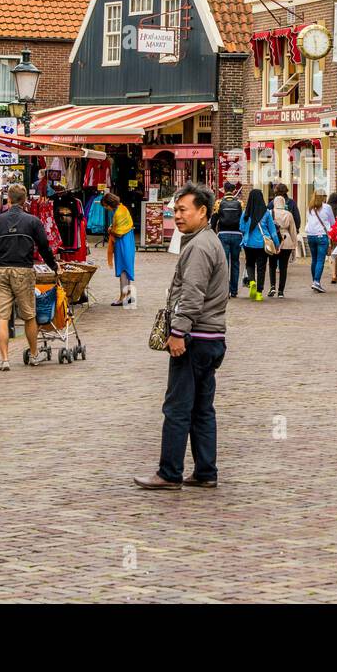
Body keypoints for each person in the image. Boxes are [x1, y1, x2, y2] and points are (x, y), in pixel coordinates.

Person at [134, 183, 229, 491]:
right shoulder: (207, 242)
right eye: (175, 210)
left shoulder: (200, 247)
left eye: (183, 209)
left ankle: (169, 472)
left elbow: (192, 294)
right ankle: (205, 470)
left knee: (177, 407)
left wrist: (178, 332)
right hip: (211, 337)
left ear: (203, 212)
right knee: (202, 408)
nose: (177, 215)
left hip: (195, 338)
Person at [0, 183, 59, 368]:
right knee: (29, 315)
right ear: (25, 200)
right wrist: (53, 266)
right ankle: (34, 354)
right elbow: (44, 247)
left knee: (2, 316)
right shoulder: (33, 221)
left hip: (1, 269)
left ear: (8, 199)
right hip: (23, 269)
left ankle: (4, 359)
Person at [239, 188, 278, 302]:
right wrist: (277, 244)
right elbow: (273, 230)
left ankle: (251, 282)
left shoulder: (245, 213)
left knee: (250, 264)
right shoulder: (266, 213)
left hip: (249, 243)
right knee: (261, 268)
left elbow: (241, 228)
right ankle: (259, 293)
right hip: (263, 244)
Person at [102, 191, 137, 306]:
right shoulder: (122, 208)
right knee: (126, 267)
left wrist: (110, 230)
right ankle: (128, 295)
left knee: (123, 268)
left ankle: (123, 297)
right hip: (128, 240)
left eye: (106, 206)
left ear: (109, 204)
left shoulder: (118, 213)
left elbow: (119, 232)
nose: (106, 208)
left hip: (123, 241)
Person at [211, 181, 244, 298]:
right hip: (237, 235)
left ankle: (225, 290)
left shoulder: (219, 203)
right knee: (235, 262)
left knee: (224, 263)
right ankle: (234, 290)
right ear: (234, 191)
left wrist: (214, 234)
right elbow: (243, 220)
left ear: (224, 190)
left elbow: (214, 220)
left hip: (223, 234)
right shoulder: (240, 203)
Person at [267, 191, 298, 298]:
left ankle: (272, 286)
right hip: (286, 241)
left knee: (272, 265)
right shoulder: (288, 214)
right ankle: (281, 291)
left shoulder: (270, 213)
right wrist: (294, 245)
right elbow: (293, 230)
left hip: (273, 241)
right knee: (283, 267)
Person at [304, 191, 334, 293]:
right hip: (322, 235)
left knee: (314, 259)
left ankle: (315, 281)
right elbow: (332, 222)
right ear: (323, 197)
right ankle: (316, 282)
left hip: (310, 235)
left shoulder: (309, 208)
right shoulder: (327, 207)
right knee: (320, 260)